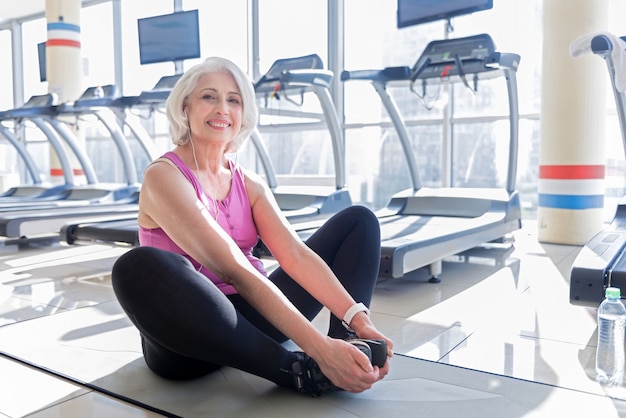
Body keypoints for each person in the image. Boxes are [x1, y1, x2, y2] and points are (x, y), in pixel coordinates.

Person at [111, 56, 393, 397]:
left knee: (359, 222)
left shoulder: (250, 183)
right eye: (209, 97)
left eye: (234, 100)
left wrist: (358, 319)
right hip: (187, 338)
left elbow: (295, 257)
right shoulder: (164, 176)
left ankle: (348, 343)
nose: (222, 109)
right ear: (185, 106)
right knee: (137, 266)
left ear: (244, 113)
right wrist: (315, 348)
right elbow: (233, 269)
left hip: (251, 320)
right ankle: (297, 370)